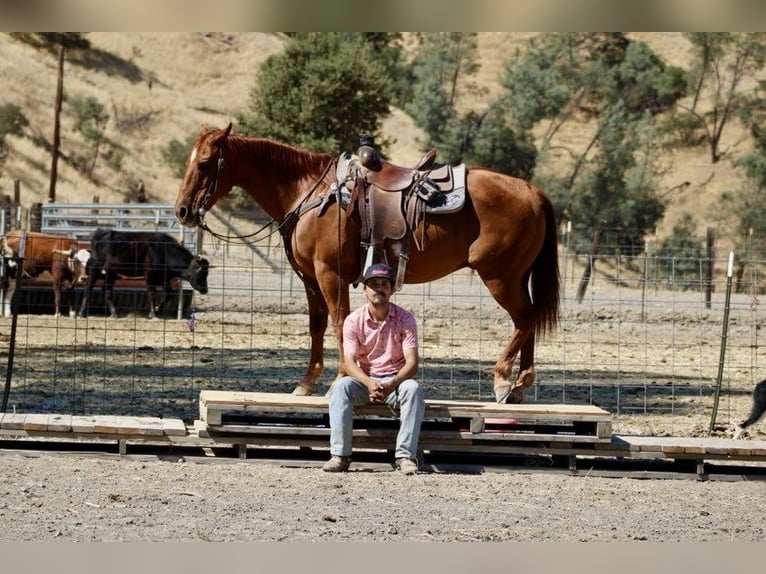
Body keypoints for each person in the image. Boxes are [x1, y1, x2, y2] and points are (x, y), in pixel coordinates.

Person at [323, 262, 425, 475]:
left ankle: (405, 456)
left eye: (384, 284)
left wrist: (391, 383)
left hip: (395, 381)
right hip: (364, 380)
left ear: (392, 289)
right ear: (365, 289)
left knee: (413, 390)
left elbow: (412, 363)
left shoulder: (405, 319)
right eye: (373, 284)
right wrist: (369, 383)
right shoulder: (353, 321)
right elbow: (349, 362)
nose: (379, 288)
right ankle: (340, 455)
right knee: (340, 388)